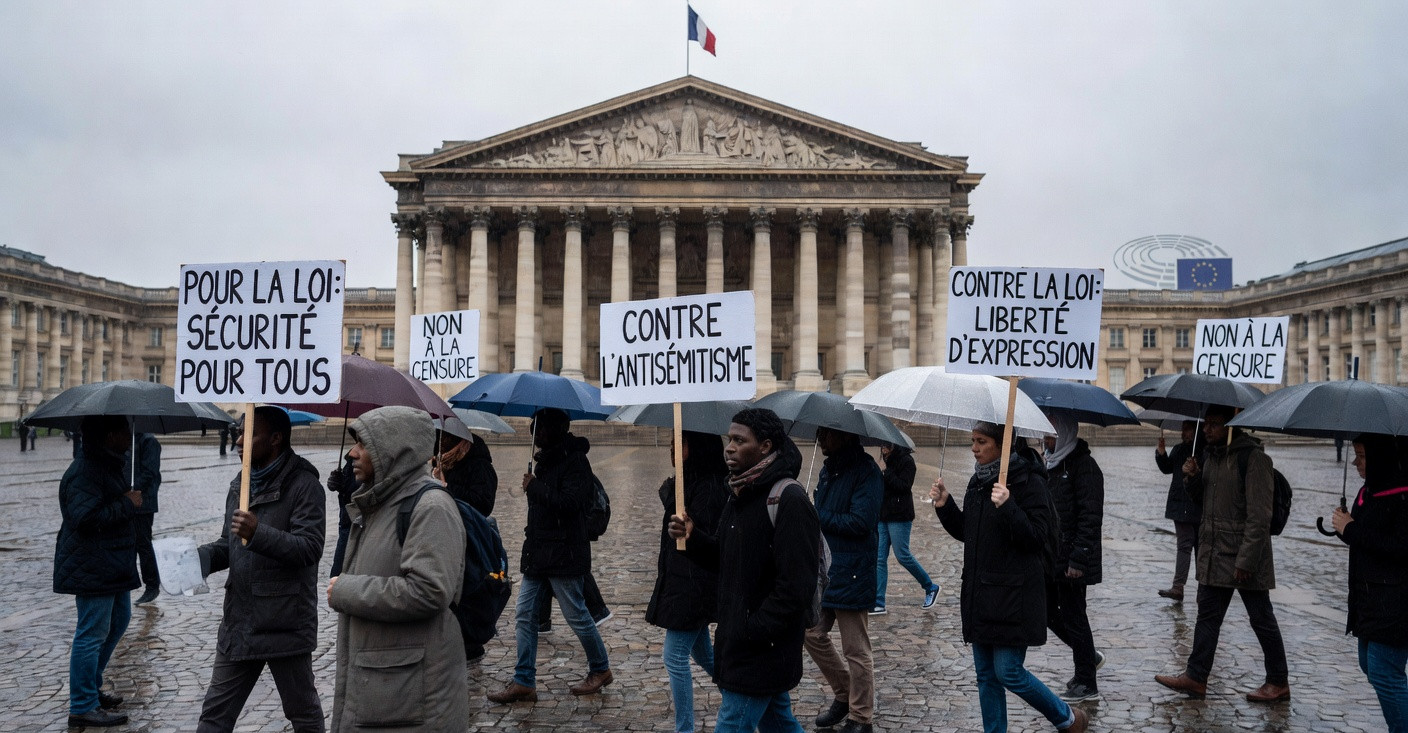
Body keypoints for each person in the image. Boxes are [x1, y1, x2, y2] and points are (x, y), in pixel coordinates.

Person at [930, 422, 1089, 733]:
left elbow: (1037, 538)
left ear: (1002, 446)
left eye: (982, 441)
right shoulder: (979, 481)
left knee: (1009, 672)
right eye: (973, 441)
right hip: (981, 593)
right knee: (986, 676)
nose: (974, 448)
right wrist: (945, 505)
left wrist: (1009, 505)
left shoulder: (1030, 482)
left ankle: (1066, 717)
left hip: (1013, 597)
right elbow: (970, 533)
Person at [669, 408, 820, 733]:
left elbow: (796, 588)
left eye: (740, 440)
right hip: (741, 640)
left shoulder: (789, 500)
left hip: (760, 649)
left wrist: (753, 630)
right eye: (729, 439)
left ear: (765, 446)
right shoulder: (740, 493)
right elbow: (727, 559)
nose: (729, 447)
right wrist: (692, 538)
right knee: (779, 723)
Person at [328, 405, 468, 730]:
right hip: (384, 689)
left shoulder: (430, 507)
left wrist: (347, 591)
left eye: (363, 444)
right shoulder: (378, 502)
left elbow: (429, 590)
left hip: (409, 697)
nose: (352, 453)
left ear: (392, 449)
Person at [195, 406, 326, 733]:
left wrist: (259, 533)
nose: (238, 441)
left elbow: (310, 548)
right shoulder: (240, 482)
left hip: (284, 622)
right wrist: (198, 559)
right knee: (214, 716)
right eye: (238, 433)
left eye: (248, 434)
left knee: (303, 712)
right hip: (240, 620)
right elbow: (231, 544)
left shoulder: (304, 485)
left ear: (276, 439)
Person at [1155, 405, 1290, 703]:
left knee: (1261, 618)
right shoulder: (1212, 457)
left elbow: (1259, 516)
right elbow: (1207, 503)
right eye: (1206, 425)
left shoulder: (1253, 459)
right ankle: (1195, 677)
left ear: (1231, 425)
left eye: (1214, 425)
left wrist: (1246, 560)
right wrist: (1191, 479)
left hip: (1245, 557)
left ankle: (1278, 681)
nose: (1207, 430)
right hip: (1216, 553)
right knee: (1207, 616)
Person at [488, 408, 613, 703]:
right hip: (540, 552)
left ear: (557, 430)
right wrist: (536, 487)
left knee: (577, 615)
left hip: (564, 553)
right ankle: (524, 681)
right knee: (525, 615)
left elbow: (571, 505)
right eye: (533, 426)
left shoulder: (576, 461)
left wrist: (535, 488)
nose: (534, 432)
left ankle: (601, 668)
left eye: (540, 428)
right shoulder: (544, 461)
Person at [54, 414, 141, 727]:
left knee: (119, 620)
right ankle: (82, 704)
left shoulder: (106, 464)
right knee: (91, 633)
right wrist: (126, 504)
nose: (129, 437)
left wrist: (124, 500)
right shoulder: (86, 471)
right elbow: (84, 519)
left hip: (110, 561)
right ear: (109, 436)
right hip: (92, 563)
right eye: (124, 432)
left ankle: (91, 686)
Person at [646, 430, 729, 733]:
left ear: (696, 448)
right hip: (682, 581)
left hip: (694, 585)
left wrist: (690, 530)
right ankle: (741, 697)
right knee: (703, 654)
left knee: (674, 656)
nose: (670, 449)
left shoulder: (707, 488)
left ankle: (685, 729)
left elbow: (707, 543)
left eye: (676, 444)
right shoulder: (687, 484)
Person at [806, 426, 884, 733]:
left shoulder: (867, 472)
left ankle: (861, 717)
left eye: (826, 433)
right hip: (827, 569)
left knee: (856, 649)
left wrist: (817, 514)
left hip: (853, 571)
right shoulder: (829, 470)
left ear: (845, 434)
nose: (820, 439)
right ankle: (845, 693)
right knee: (810, 632)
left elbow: (861, 522)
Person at [1333, 434, 1408, 732]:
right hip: (1369, 597)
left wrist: (1351, 529)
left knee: (1384, 671)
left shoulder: (1403, 495)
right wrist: (1345, 525)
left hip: (1395, 600)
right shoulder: (1372, 489)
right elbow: (1364, 534)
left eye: (1362, 456)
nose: (1355, 463)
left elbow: (1400, 547)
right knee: (1370, 664)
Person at [1041, 412, 1106, 704]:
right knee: (1046, 611)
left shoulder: (1085, 467)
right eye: (1045, 433)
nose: (1047, 439)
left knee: (1074, 616)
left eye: (1052, 434)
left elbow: (1090, 519)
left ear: (1066, 434)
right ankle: (1087, 655)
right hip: (1053, 557)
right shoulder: (1051, 465)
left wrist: (1078, 561)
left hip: (1073, 561)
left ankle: (1086, 681)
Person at [874, 440, 940, 614]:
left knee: (902, 555)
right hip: (883, 515)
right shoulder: (885, 461)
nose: (884, 449)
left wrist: (886, 472)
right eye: (882, 446)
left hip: (900, 515)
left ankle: (930, 586)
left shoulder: (907, 461)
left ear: (894, 445)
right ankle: (878, 601)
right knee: (879, 558)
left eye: (886, 446)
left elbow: (904, 486)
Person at [1155, 419, 1203, 602]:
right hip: (1179, 504)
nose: (1184, 433)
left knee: (1200, 547)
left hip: (1198, 504)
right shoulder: (1179, 449)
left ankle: (1202, 588)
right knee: (1184, 545)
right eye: (1183, 430)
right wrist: (1161, 453)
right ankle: (1178, 587)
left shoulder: (1203, 451)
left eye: (1187, 430)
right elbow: (1167, 468)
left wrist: (1195, 471)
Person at [127, 432, 162, 605]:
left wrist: (132, 488)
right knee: (129, 543)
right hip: (128, 501)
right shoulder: (130, 439)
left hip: (144, 503)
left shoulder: (148, 441)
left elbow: (150, 473)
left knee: (143, 544)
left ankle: (152, 585)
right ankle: (128, 583)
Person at [434, 430, 499, 517]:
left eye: (446, 438)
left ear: (456, 441)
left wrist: (446, 486)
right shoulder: (447, 463)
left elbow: (483, 505)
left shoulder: (480, 466)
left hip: (467, 526)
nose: (442, 444)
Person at [325, 453, 361, 578]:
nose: (354, 451)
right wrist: (338, 482)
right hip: (346, 524)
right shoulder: (352, 458)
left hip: (358, 525)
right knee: (337, 576)